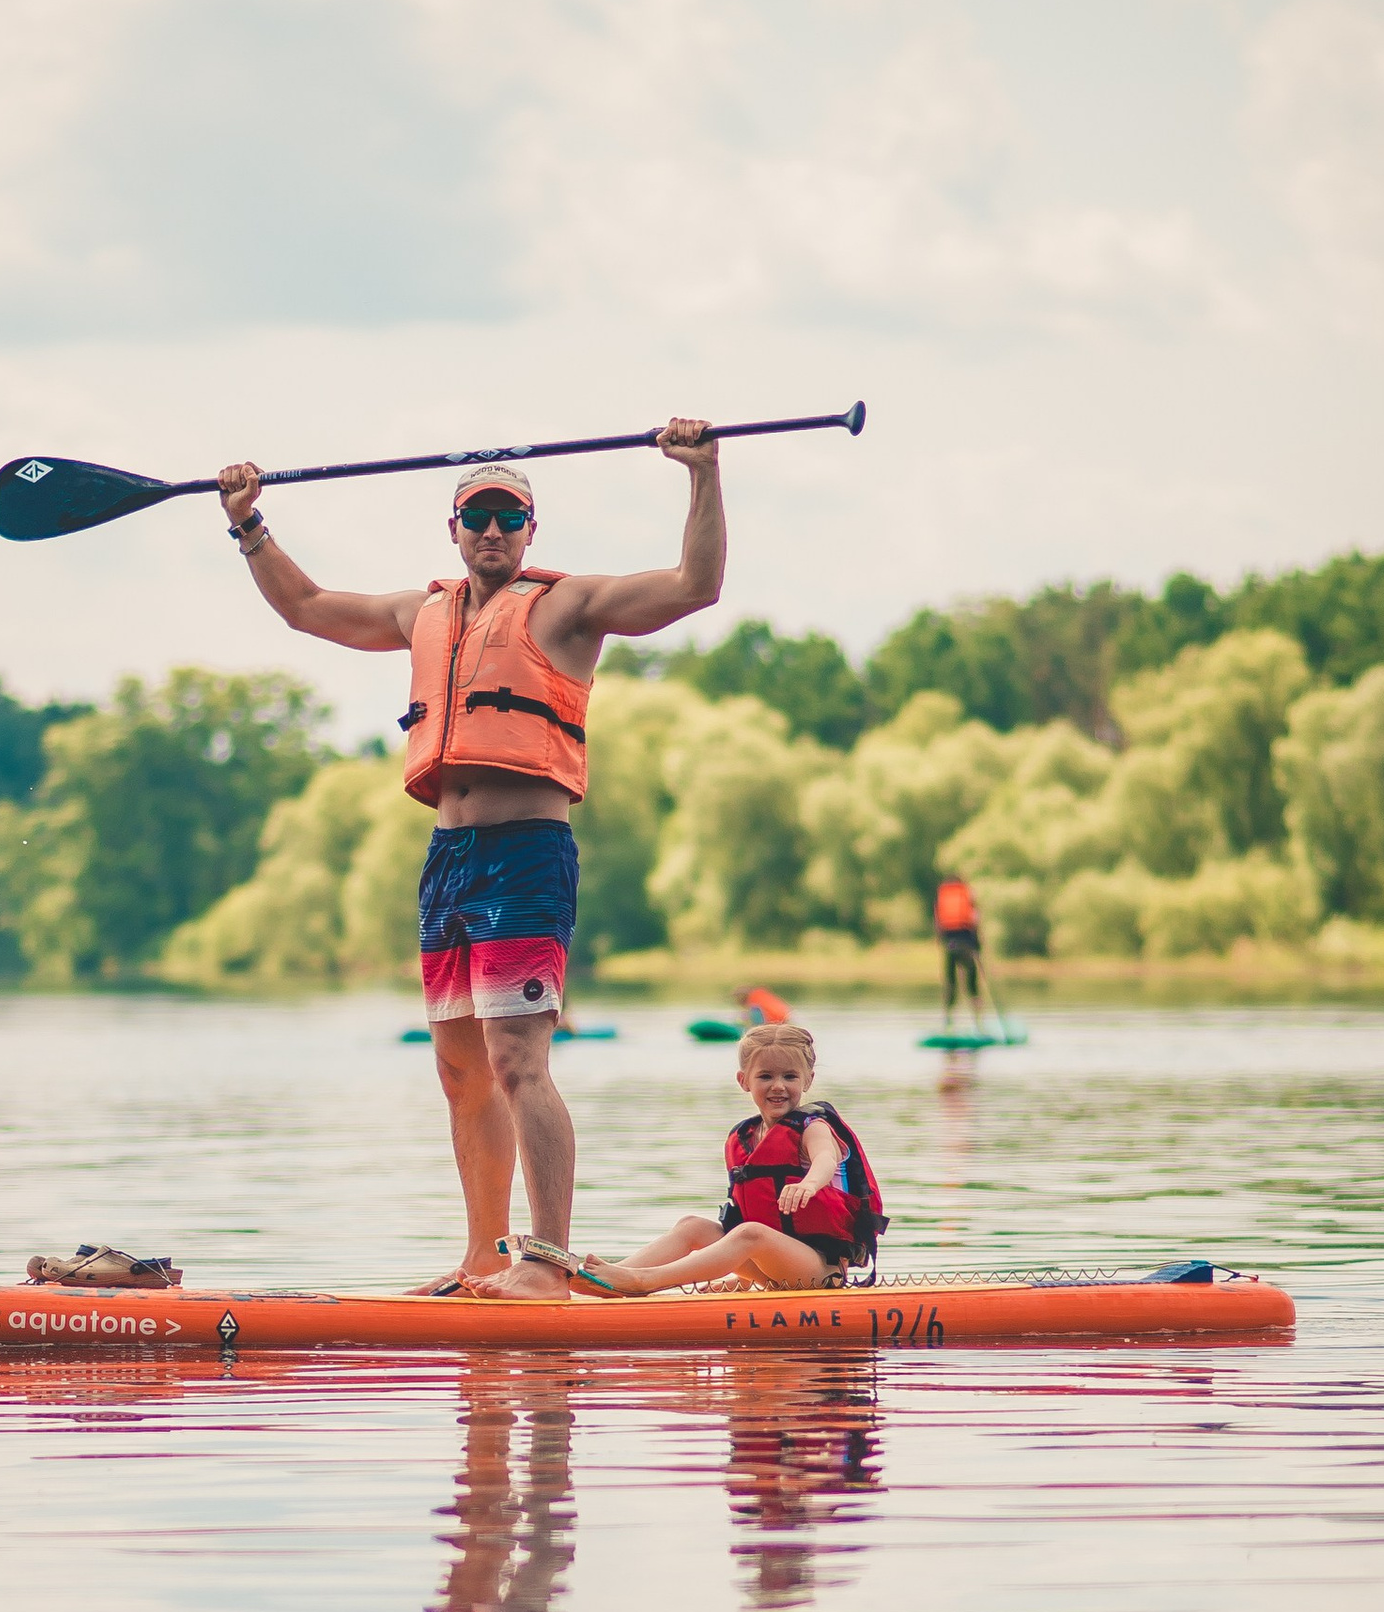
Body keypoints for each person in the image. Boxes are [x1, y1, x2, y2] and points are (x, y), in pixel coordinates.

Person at [216, 420, 725, 1297]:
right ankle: (482, 1257)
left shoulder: (567, 607)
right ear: (452, 528)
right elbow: (307, 608)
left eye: (508, 515)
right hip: (447, 859)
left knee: (520, 1062)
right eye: (477, 515)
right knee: (460, 1072)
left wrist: (703, 473)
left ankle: (549, 1264)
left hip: (526, 854)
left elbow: (694, 587)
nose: (492, 529)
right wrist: (249, 524)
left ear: (532, 529)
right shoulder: (423, 613)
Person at [572, 1024, 884, 1297]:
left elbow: (826, 1159)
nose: (778, 1085)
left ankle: (643, 1281)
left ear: (808, 1080)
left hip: (819, 1268)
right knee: (692, 1226)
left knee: (750, 1233)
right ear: (744, 1080)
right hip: (776, 1267)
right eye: (766, 1076)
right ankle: (606, 1278)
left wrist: (810, 1183)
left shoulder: (812, 1128)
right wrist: (743, 1280)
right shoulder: (746, 1136)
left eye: (790, 1076)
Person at [934, 873, 983, 1021]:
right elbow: (974, 918)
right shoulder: (967, 893)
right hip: (966, 941)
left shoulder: (942, 895)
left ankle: (948, 1018)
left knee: (950, 981)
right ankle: (977, 1017)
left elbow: (938, 922)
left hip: (949, 942)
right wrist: (978, 943)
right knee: (972, 977)